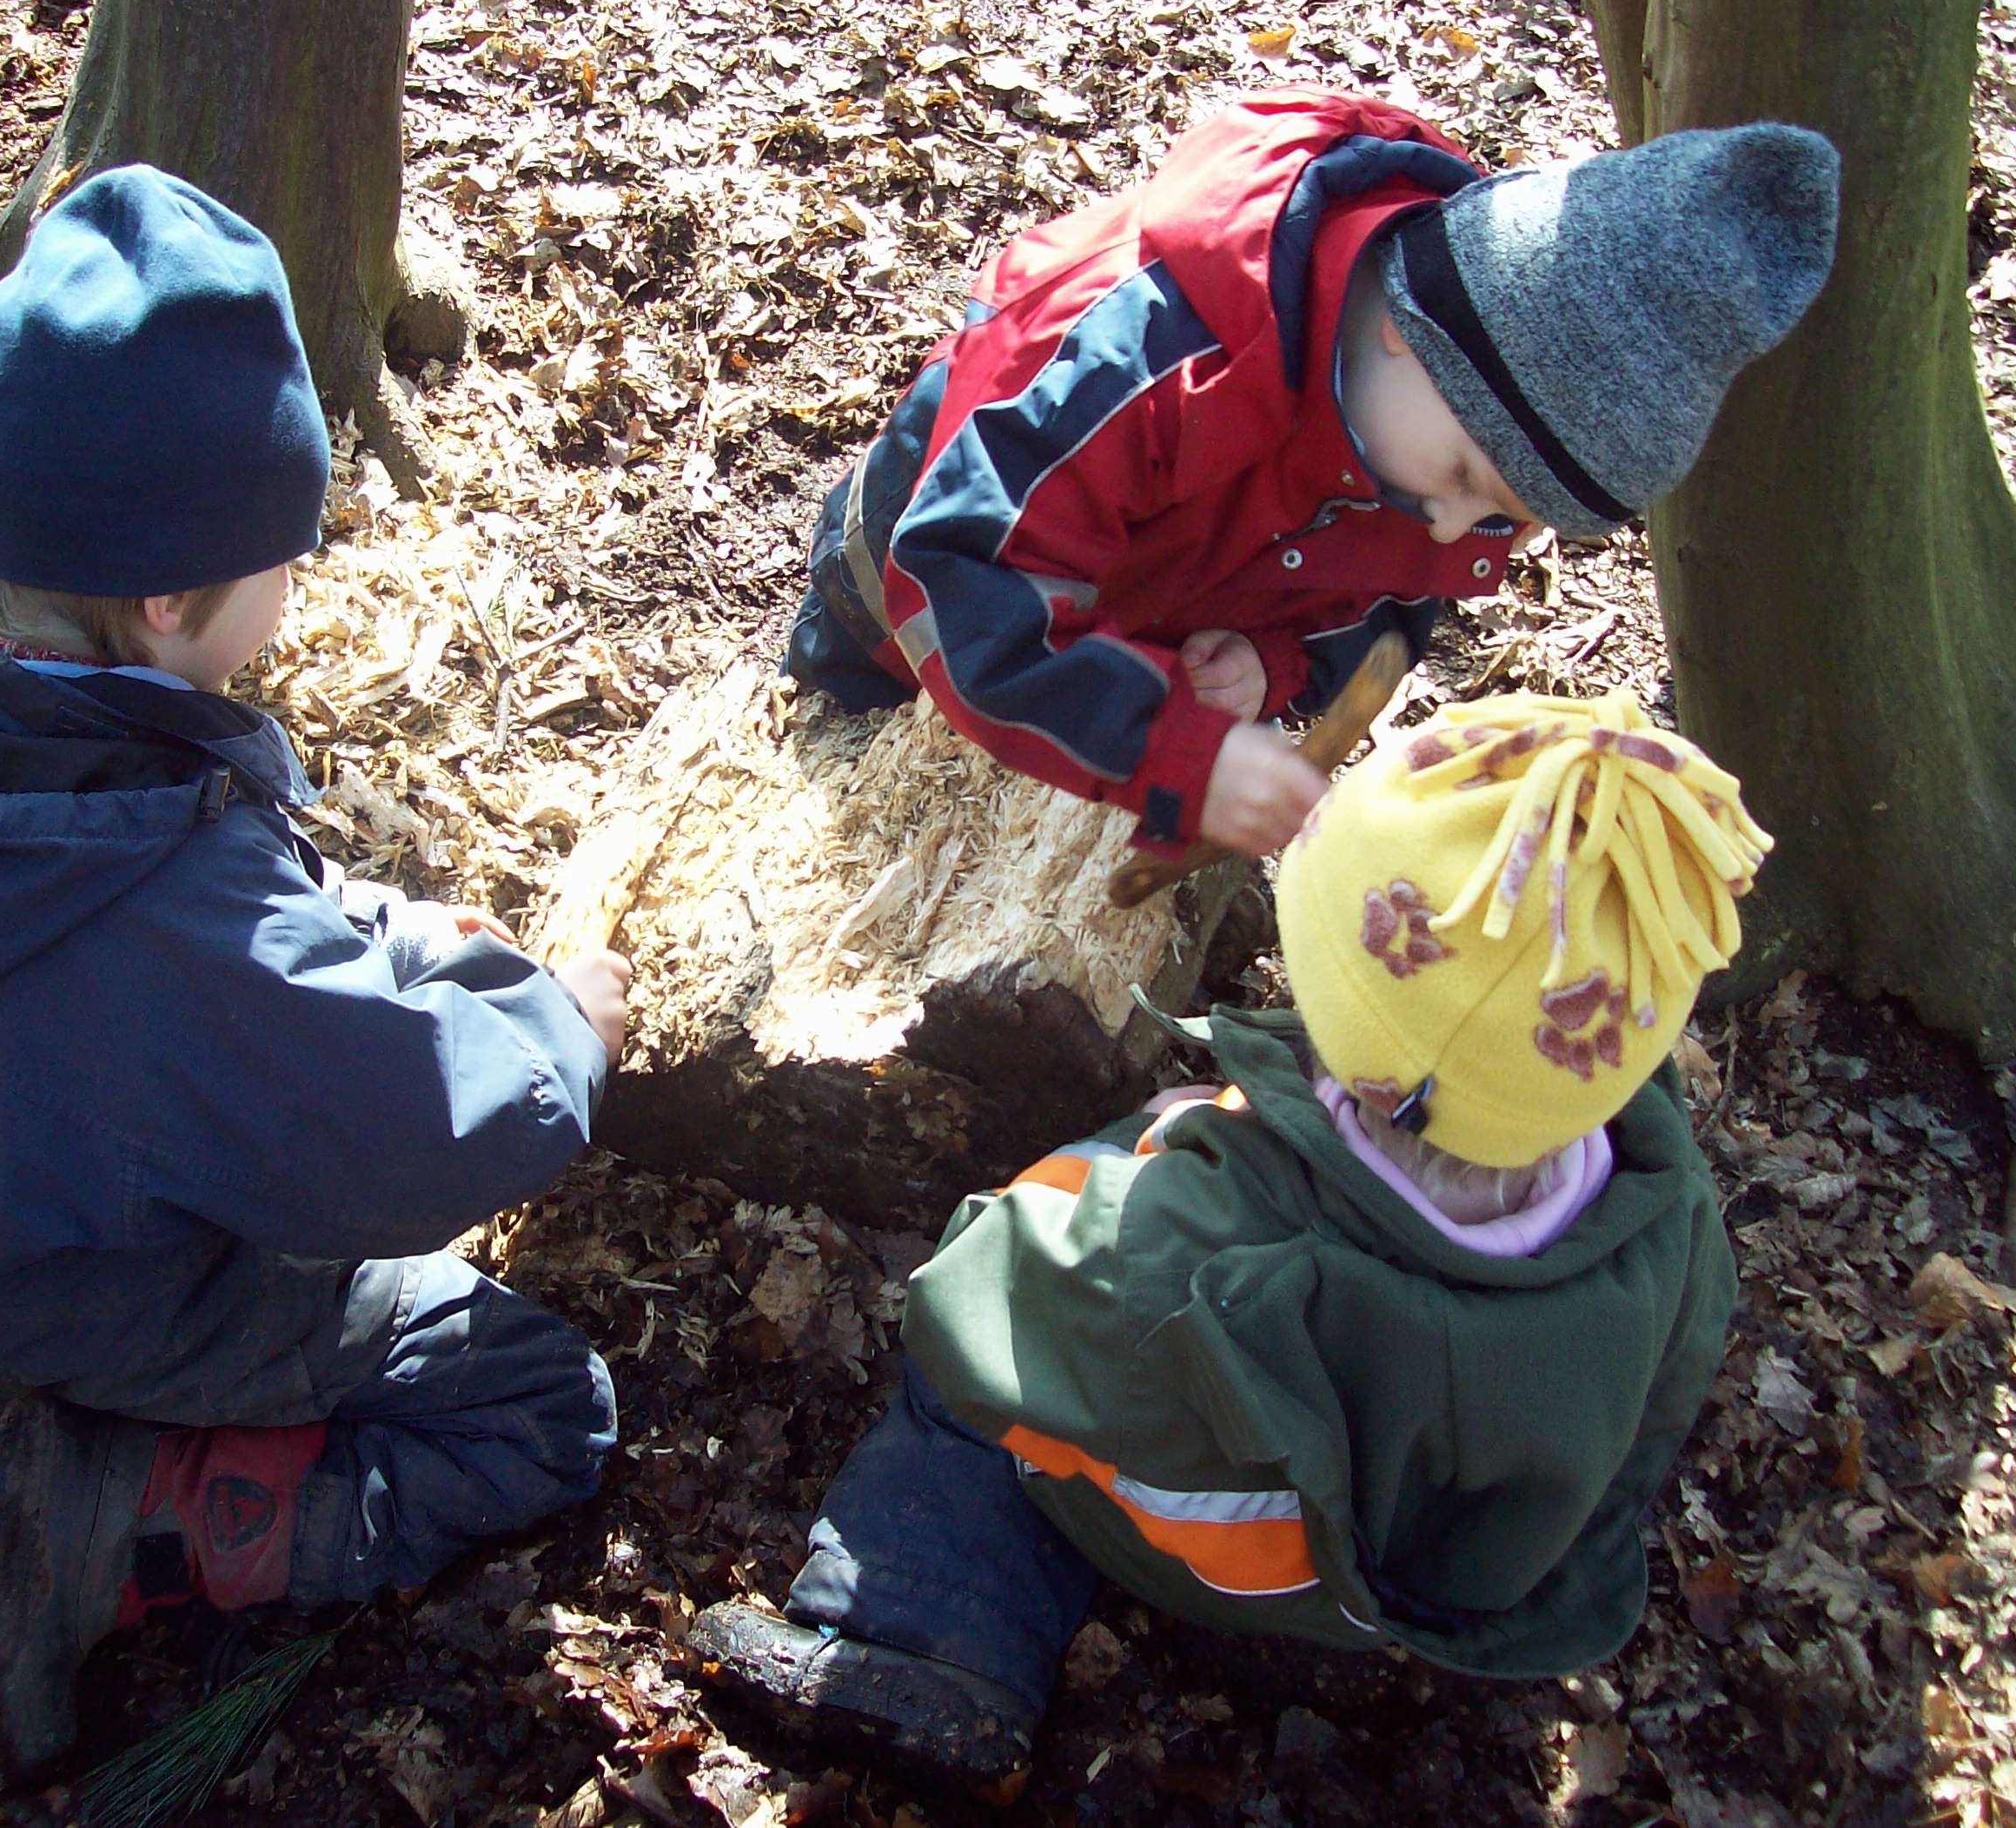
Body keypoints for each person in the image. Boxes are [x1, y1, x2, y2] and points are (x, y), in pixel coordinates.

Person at [0, 167, 634, 1779]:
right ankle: (133, 1513)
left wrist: (375, 931)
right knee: (541, 1408)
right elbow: (405, 1142)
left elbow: (184, 917)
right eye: (283, 554)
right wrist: (557, 1032)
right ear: (168, 598)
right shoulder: (160, 910)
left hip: (1, 1207)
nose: (298, 583)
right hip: (130, 1294)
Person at [687, 689, 1767, 1791]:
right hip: (1457, 1580)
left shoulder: (1212, 1237)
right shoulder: (1664, 1203)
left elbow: (996, 1287)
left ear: (1359, 1027)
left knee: (970, 1400)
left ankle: (915, 1637)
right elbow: (1660, 1392)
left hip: (1270, 1550)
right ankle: (1335, 1650)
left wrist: (1142, 1154)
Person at [786, 89, 1836, 860]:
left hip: (1128, 638)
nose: (1451, 528)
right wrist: (1180, 754)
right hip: (913, 577)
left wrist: (1267, 664)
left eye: (1503, 518)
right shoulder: (1148, 353)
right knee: (843, 742)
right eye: (1467, 477)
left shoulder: (1423, 449)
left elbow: (1378, 615)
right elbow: (960, 573)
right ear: (1411, 333)